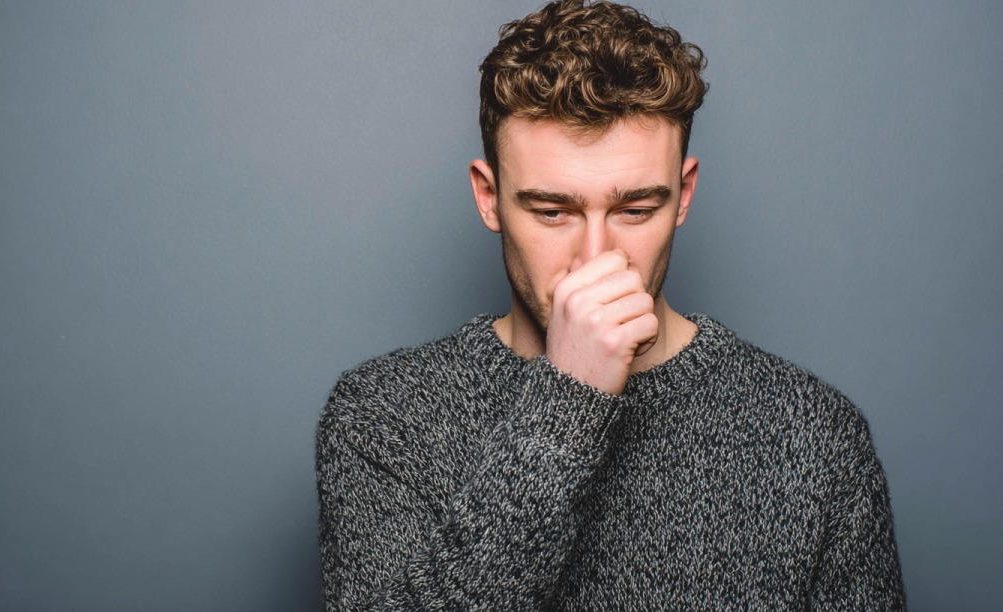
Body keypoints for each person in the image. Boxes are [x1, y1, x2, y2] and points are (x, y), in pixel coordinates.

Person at [315, 0, 905, 609]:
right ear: (489, 198)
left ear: (683, 194)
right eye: (553, 212)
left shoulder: (815, 437)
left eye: (635, 210)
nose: (596, 258)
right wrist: (568, 402)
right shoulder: (382, 419)